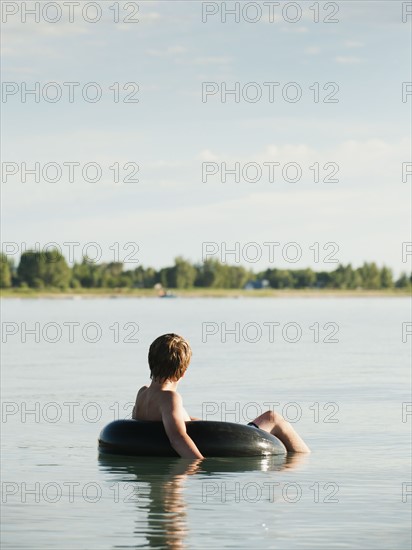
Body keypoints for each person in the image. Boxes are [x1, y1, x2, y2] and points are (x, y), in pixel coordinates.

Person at [132, 333, 310, 459]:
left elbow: (147, 424)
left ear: (150, 362)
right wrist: (198, 464)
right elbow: (177, 438)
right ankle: (302, 461)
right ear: (183, 372)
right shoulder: (170, 398)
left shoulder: (143, 393)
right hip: (220, 445)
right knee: (272, 417)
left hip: (204, 436)